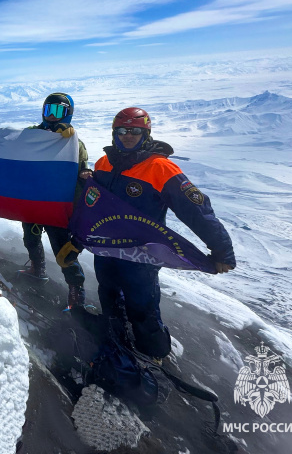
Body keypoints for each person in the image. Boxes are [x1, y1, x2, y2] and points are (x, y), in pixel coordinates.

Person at [86, 107, 235, 359]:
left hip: (142, 253)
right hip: (107, 248)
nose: (127, 135)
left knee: (142, 306)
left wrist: (221, 250)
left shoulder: (161, 168)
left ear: (147, 132)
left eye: (135, 131)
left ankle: (153, 355)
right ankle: (116, 343)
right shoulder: (103, 163)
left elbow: (197, 211)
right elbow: (94, 202)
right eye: (121, 130)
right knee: (108, 294)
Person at [17, 93, 91, 311]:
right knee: (30, 239)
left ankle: (77, 293)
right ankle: (38, 269)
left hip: (58, 206)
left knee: (63, 252)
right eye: (48, 110)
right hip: (33, 201)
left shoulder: (74, 142)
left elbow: (81, 171)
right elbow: (19, 143)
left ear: (68, 113)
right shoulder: (34, 134)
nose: (51, 116)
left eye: (57, 111)